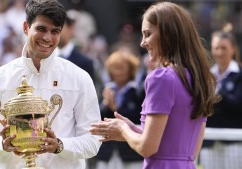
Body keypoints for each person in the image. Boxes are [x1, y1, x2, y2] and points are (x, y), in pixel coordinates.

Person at [90, 2, 219, 169]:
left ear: (168, 34)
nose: (142, 43)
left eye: (148, 34)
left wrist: (123, 128)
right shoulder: (200, 78)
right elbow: (187, 151)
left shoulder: (162, 77)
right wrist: (132, 131)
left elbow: (147, 148)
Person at [0, 0, 101, 169]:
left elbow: (93, 140)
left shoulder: (79, 78)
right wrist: (2, 144)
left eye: (55, 31)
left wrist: (59, 145)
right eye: (41, 29)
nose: (47, 37)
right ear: (26, 27)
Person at [200, 25, 242, 169]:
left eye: (224, 48)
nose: (219, 52)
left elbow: (238, 104)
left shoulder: (240, 75)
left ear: (233, 49)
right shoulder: (206, 76)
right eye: (216, 48)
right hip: (209, 142)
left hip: (234, 143)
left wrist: (217, 92)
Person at [95, 51, 144, 169]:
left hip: (130, 151)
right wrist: (106, 104)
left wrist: (115, 108)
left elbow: (138, 118)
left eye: (121, 68)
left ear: (130, 70)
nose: (117, 72)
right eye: (114, 68)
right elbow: (98, 117)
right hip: (108, 151)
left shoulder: (137, 92)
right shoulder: (106, 89)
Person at [58, 11, 95, 80]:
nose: (56, 31)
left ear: (71, 28)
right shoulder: (45, 58)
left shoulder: (85, 62)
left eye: (60, 27)